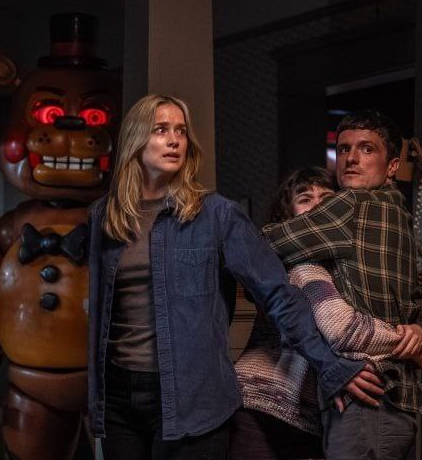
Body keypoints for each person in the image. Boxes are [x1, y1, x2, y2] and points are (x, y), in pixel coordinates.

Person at [87, 95, 371, 460]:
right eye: (160, 130)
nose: (174, 140)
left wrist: (330, 364)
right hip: (118, 400)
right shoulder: (104, 217)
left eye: (181, 131)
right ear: (135, 139)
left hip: (193, 399)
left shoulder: (217, 215)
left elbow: (278, 294)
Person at [264, 111, 422, 459]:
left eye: (367, 149)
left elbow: (268, 244)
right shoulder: (399, 213)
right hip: (396, 395)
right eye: (344, 150)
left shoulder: (351, 204)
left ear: (392, 165)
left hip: (366, 397)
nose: (352, 158)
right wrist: (416, 339)